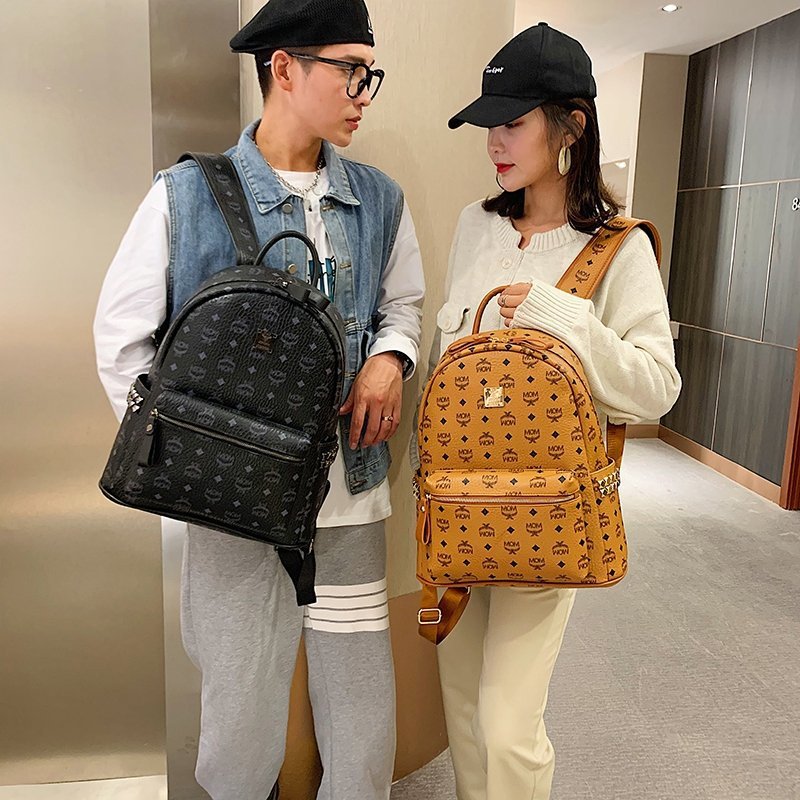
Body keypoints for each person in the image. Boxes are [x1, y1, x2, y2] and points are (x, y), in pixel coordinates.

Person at [93, 1, 425, 798]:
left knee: (360, 706)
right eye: (350, 71)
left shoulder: (379, 199)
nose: (364, 93)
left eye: (369, 74)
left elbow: (403, 306)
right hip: (233, 511)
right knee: (240, 712)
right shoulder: (185, 195)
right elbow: (122, 341)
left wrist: (390, 359)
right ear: (285, 69)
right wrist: (189, 457)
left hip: (349, 496)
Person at [429, 22, 681, 800]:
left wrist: (562, 317)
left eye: (512, 122)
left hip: (548, 511)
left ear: (571, 125)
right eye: (488, 125)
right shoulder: (475, 225)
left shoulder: (618, 248)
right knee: (463, 709)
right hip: (457, 503)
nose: (494, 143)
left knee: (508, 726)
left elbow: (655, 386)